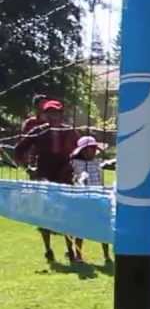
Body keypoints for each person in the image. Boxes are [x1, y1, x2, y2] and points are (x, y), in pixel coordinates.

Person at [14, 99, 78, 262]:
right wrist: (28, 168)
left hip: (64, 176)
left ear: (61, 114)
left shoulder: (69, 131)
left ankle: (71, 250)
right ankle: (48, 249)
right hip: (44, 176)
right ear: (45, 115)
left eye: (56, 113)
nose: (52, 116)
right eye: (49, 113)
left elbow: (80, 149)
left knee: (67, 212)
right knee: (44, 214)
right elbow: (19, 149)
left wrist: (75, 167)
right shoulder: (39, 130)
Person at [70, 135, 112, 264]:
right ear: (82, 151)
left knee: (104, 226)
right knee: (80, 227)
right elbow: (74, 179)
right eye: (89, 149)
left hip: (98, 197)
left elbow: (100, 176)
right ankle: (78, 255)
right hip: (83, 198)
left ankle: (106, 255)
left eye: (94, 149)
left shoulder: (97, 162)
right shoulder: (75, 163)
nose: (92, 152)